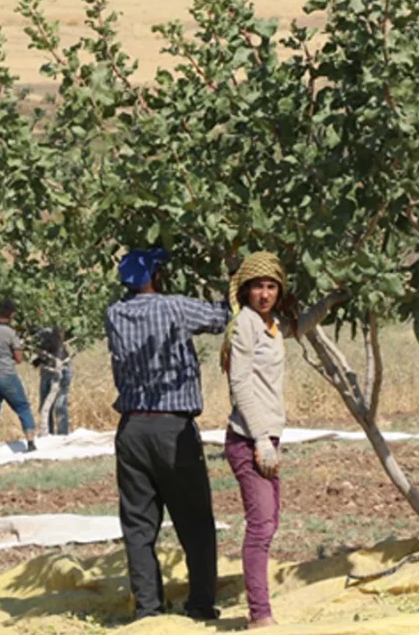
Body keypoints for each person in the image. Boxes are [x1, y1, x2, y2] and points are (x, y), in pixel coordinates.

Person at [105, 247, 231, 622]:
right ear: (156, 276)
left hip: (132, 429)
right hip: (172, 428)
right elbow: (221, 317)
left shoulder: (114, 314)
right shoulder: (174, 307)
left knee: (139, 526)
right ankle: (201, 605)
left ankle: (148, 610)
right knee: (195, 521)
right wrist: (234, 283)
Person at [220, 252, 345, 629]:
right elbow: (240, 382)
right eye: (258, 286)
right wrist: (260, 439)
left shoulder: (270, 323)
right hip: (248, 439)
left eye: (271, 286)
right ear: (245, 289)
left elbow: (297, 326)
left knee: (269, 523)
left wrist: (331, 301)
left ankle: (261, 610)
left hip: (266, 438)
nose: (264, 294)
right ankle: (259, 616)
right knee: (260, 526)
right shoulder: (245, 323)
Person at [0, 299, 38, 455]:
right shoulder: (10, 333)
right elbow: (19, 358)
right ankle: (30, 442)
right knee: (23, 407)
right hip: (6, 375)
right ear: (12, 315)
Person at [33, 325, 72, 436]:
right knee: (46, 405)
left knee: (59, 405)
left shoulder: (51, 329)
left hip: (59, 368)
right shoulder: (37, 330)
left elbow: (53, 348)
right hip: (47, 370)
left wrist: (40, 359)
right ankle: (48, 434)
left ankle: (62, 434)